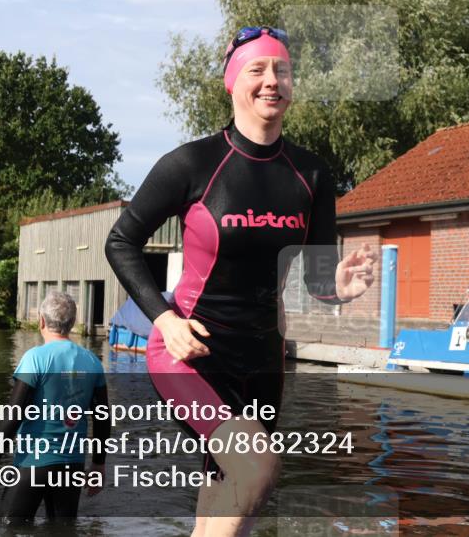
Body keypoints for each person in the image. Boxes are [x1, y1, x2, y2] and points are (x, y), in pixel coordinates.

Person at [105, 26, 377, 537]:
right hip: (191, 352)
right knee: (257, 466)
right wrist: (165, 320)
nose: (272, 80)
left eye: (282, 70)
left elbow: (317, 280)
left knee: (234, 496)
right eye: (257, 69)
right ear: (232, 82)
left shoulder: (313, 175)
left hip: (263, 362)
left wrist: (338, 284)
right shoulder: (191, 164)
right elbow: (121, 243)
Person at [0, 291, 111, 526]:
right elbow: (102, 419)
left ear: (41, 321)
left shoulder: (35, 358)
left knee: (9, 528)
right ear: (72, 323)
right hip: (72, 465)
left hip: (34, 463)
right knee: (62, 530)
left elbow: (14, 414)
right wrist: (99, 465)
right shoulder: (92, 362)